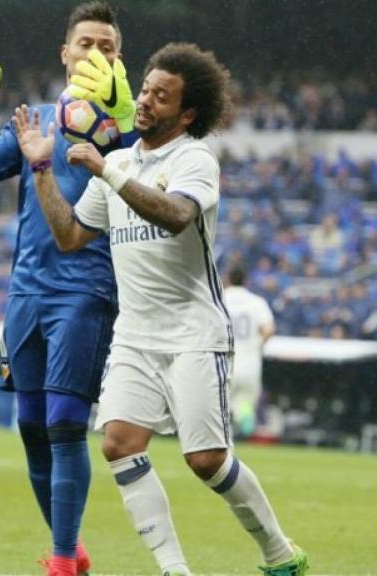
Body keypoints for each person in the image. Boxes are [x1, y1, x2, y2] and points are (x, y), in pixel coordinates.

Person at [16, 42, 308, 576]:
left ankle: (281, 555)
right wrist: (41, 168)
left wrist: (109, 173)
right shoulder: (122, 160)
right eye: (146, 90)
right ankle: (175, 570)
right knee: (119, 444)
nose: (145, 102)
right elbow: (70, 235)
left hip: (195, 332)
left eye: (161, 96)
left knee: (206, 461)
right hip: (135, 334)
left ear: (187, 113)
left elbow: (175, 215)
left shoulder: (194, 158)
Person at [0, 3, 137, 573]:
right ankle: (72, 549)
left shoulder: (126, 134)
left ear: (119, 59)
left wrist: (124, 124)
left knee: (64, 425)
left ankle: (59, 560)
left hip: (85, 291)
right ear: (65, 53)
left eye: (107, 46)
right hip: (25, 295)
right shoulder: (34, 119)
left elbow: (143, 176)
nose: (95, 53)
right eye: (86, 43)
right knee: (31, 427)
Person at [223, 266, 275, 438]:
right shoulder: (257, 301)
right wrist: (256, 344)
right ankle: (244, 420)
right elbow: (268, 329)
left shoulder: (219, 298)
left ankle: (225, 436)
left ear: (228, 279)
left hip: (224, 361)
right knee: (245, 402)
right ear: (246, 281)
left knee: (220, 404)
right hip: (250, 363)